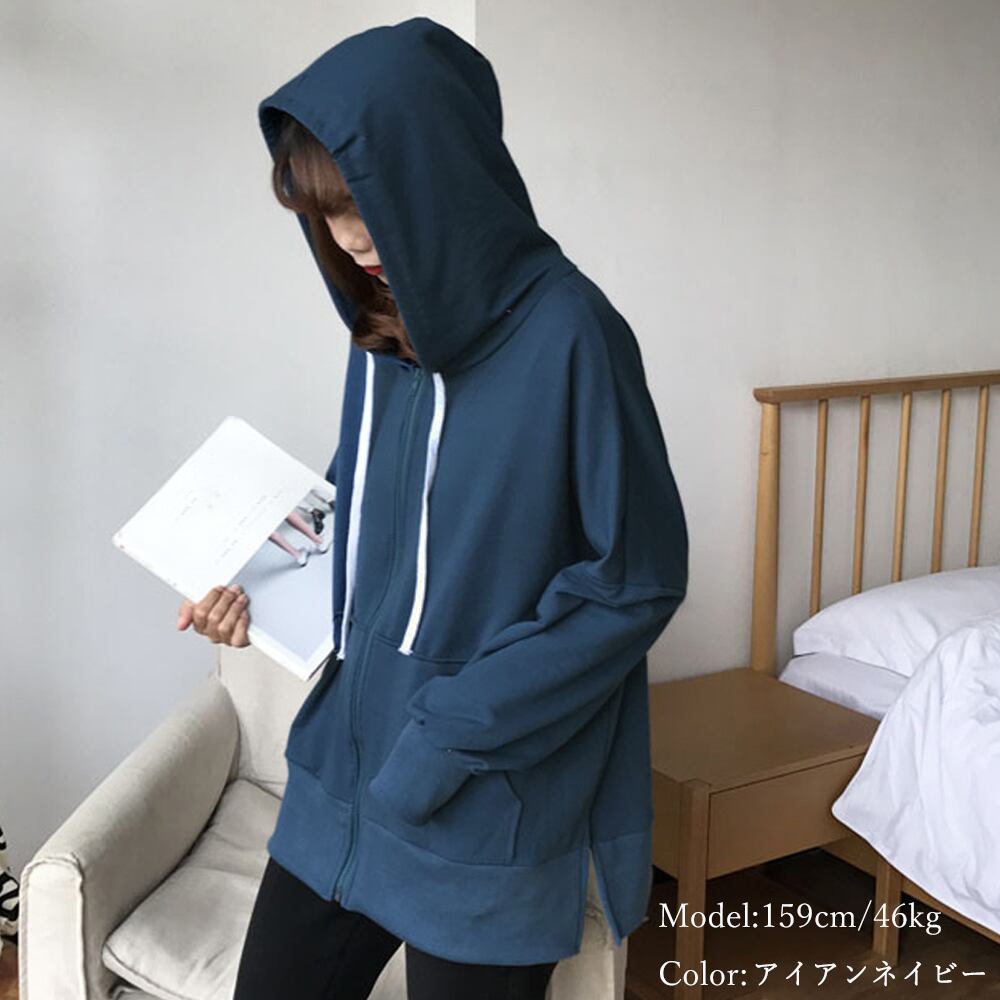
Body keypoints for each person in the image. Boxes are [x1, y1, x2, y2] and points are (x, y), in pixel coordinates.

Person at [179, 16, 689, 1000]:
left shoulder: (574, 335)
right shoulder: (381, 325)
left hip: (480, 802)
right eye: (323, 211)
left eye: (360, 200)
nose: (349, 236)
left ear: (438, 170)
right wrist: (257, 591)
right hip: (341, 785)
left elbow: (633, 583)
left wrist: (447, 736)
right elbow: (362, 509)